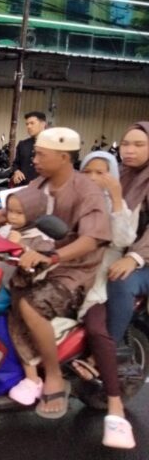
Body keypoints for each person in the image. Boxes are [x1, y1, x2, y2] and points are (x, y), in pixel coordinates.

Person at [0, 128, 111, 419]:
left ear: (64, 157)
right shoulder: (40, 183)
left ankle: (53, 376)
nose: (34, 159)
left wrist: (52, 256)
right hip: (36, 258)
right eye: (35, 154)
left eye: (41, 155)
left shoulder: (87, 192)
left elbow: (91, 239)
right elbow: (11, 210)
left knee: (29, 305)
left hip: (73, 270)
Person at [72, 151, 137, 449]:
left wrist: (116, 197)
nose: (94, 178)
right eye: (88, 172)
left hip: (98, 281)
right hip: (66, 273)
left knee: (98, 330)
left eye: (101, 173)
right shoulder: (73, 200)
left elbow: (124, 239)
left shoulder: (118, 206)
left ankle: (115, 407)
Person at [106, 122, 149, 352]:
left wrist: (134, 258)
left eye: (139, 145)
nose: (130, 150)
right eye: (125, 143)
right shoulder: (120, 174)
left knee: (120, 281)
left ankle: (108, 349)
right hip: (121, 247)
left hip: (144, 259)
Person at [11, 111, 47, 186]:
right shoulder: (23, 144)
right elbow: (16, 163)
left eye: (32, 123)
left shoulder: (54, 145)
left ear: (43, 124)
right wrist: (16, 171)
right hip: (22, 187)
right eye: (27, 124)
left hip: (43, 188)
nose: (29, 126)